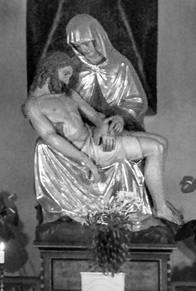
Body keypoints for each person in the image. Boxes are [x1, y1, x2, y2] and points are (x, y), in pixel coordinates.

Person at [23, 51, 177, 224]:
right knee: (156, 149)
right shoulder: (33, 105)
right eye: (65, 74)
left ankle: (153, 199)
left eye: (70, 75)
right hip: (88, 150)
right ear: (51, 70)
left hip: (95, 136)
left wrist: (106, 127)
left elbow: (95, 116)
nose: (67, 80)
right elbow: (50, 137)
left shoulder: (68, 94)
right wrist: (86, 160)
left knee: (162, 142)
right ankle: (161, 208)